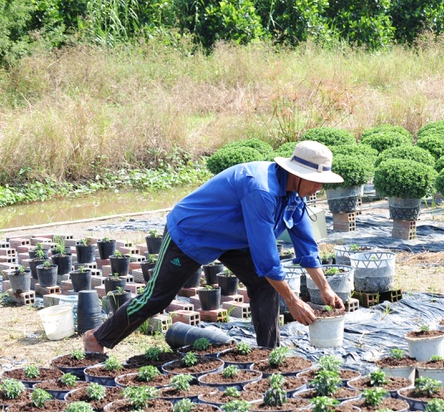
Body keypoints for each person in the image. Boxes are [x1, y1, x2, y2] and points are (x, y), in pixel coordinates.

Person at [84, 140, 346, 352]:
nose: (319, 187)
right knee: (157, 299)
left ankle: (268, 354)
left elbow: (306, 245)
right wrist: (292, 300)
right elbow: (266, 259)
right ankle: (98, 337)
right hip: (193, 232)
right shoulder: (262, 190)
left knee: (264, 284)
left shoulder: (294, 194)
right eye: (315, 180)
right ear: (296, 174)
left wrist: (325, 289)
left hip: (233, 237)